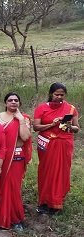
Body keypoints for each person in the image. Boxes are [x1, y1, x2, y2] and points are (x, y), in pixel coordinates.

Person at [33, 82, 79, 215]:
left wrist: (69, 126)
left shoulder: (71, 109)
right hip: (47, 143)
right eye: (56, 94)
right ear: (50, 94)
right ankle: (44, 202)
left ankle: (56, 202)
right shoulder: (42, 108)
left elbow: (76, 129)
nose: (59, 97)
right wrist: (52, 124)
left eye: (62, 95)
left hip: (64, 144)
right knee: (46, 172)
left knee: (61, 173)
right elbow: (36, 127)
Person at [0, 93, 32, 231]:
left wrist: (20, 119)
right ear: (5, 103)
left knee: (13, 188)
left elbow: (25, 137)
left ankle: (15, 219)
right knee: (0, 187)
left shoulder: (24, 118)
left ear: (19, 103)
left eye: (16, 100)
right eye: (10, 100)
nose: (13, 102)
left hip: (15, 158)